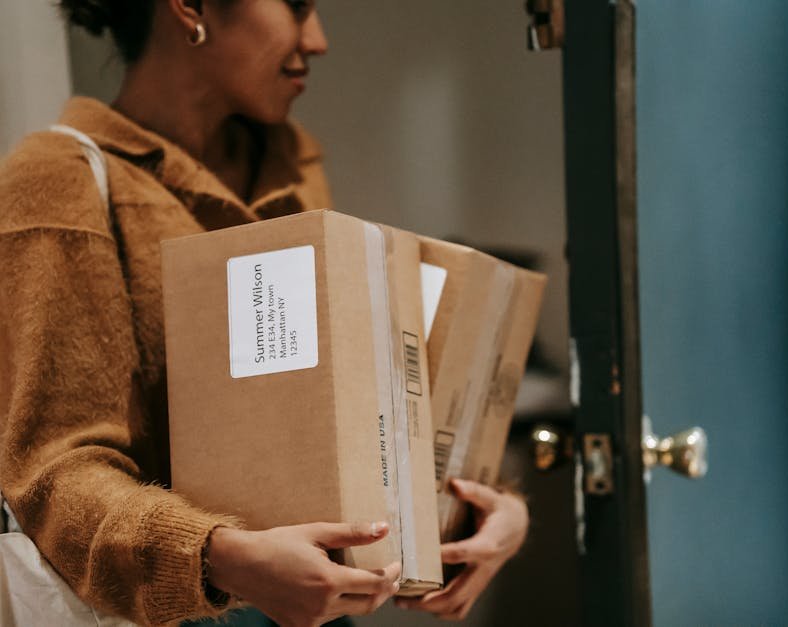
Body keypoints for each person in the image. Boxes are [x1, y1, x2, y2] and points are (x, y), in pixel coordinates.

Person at [0, 1, 530, 625]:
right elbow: (54, 476)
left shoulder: (291, 163)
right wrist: (217, 558)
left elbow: (350, 424)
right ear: (189, 8)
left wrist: (482, 512)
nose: (319, 39)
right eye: (297, 5)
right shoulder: (56, 183)